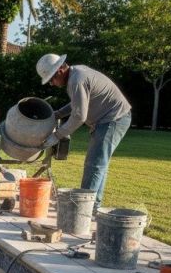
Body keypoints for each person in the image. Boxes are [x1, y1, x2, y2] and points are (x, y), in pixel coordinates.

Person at [37, 54, 131, 208]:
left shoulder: (76, 80)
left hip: (113, 119)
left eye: (52, 79)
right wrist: (58, 114)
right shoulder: (77, 73)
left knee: (94, 164)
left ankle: (83, 209)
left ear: (60, 70)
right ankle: (92, 207)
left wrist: (57, 135)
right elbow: (78, 102)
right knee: (99, 164)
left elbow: (79, 116)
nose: (52, 84)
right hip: (111, 118)